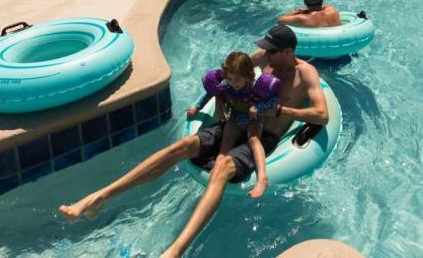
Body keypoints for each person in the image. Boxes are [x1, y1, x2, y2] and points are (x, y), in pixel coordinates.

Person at [59, 24, 329, 258]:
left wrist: (282, 111)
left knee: (221, 170)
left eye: (272, 50)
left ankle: (176, 250)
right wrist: (221, 101)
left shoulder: (305, 74)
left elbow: (322, 115)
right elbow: (230, 77)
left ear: (288, 52)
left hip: (264, 136)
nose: (265, 54)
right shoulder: (262, 59)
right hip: (235, 122)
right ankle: (100, 197)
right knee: (181, 147)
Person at [186, 52, 280, 199]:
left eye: (237, 80)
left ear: (248, 76)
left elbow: (273, 102)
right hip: (235, 118)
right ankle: (217, 169)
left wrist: (258, 107)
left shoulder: (256, 87)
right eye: (229, 78)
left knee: (254, 140)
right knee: (225, 144)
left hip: (253, 120)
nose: (233, 83)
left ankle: (262, 179)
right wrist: (197, 108)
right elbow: (209, 93)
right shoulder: (226, 85)